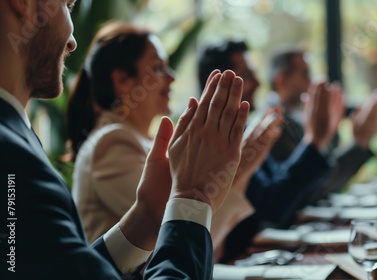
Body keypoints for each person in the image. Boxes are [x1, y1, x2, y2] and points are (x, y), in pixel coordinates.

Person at [0, 0, 248, 278]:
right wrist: (192, 199)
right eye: (67, 6)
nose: (72, 42)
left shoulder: (19, 139)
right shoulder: (11, 154)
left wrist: (147, 218)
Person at [66, 23, 258, 261]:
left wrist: (238, 167)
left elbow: (204, 248)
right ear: (123, 81)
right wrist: (237, 167)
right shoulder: (111, 142)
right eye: (158, 68)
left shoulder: (137, 140)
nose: (172, 77)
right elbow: (178, 246)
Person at [198, 40, 344, 261]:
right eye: (247, 75)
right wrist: (314, 141)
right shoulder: (210, 143)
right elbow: (274, 208)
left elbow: (280, 191)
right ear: (219, 84)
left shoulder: (247, 130)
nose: (258, 83)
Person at [268, 48, 377, 202]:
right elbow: (311, 190)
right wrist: (358, 142)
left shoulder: (295, 120)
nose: (310, 82)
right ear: (282, 80)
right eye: (305, 75)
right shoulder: (273, 124)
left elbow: (322, 181)